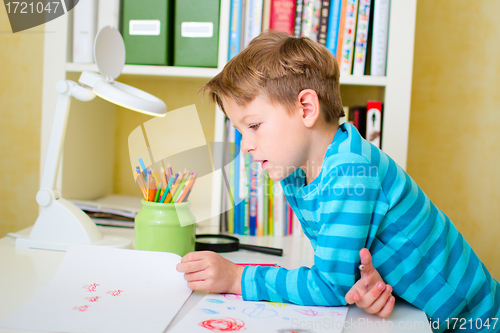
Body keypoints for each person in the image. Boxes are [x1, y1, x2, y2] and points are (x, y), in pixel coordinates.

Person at [177, 31, 500, 332]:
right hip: (423, 315)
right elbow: (346, 273)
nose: (245, 144)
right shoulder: (298, 172)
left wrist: (237, 277)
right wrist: (365, 281)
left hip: (478, 320)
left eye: (254, 126)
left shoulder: (348, 169)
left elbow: (330, 285)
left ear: (306, 108)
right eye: (239, 131)